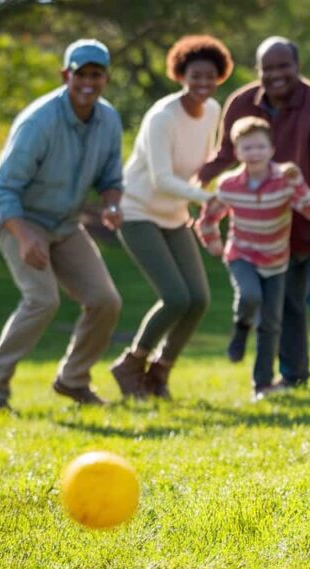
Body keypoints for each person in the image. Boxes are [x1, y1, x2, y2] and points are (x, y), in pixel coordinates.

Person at [198, 36, 310, 397]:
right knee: (286, 304)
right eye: (267, 68)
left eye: (283, 66)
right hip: (275, 230)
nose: (275, 75)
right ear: (258, 71)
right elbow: (226, 152)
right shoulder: (242, 103)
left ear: (297, 67)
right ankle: (294, 374)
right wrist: (196, 181)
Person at [0, 39, 124, 414]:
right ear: (65, 75)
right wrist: (24, 236)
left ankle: (73, 380)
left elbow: (110, 177)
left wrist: (112, 203)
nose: (88, 82)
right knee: (42, 299)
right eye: (80, 74)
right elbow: (3, 190)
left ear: (105, 78)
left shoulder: (109, 120)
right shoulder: (39, 121)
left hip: (65, 224)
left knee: (106, 301)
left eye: (96, 75)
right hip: (17, 217)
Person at [109, 35, 234, 400]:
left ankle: (159, 373)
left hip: (175, 213)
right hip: (138, 212)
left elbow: (203, 164)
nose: (203, 84)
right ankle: (131, 364)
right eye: (195, 76)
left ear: (219, 77)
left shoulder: (213, 109)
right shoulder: (162, 117)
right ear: (181, 74)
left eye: (210, 77)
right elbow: (160, 178)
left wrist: (215, 192)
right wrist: (205, 196)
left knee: (199, 299)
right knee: (176, 297)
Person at [195, 117, 310, 401]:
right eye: (247, 147)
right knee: (250, 296)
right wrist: (214, 246)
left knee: (271, 324)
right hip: (242, 255)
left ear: (271, 148)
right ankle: (240, 330)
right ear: (238, 152)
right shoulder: (229, 184)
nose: (254, 152)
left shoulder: (284, 179)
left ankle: (261, 385)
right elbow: (208, 219)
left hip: (277, 261)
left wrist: (297, 182)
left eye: (260, 146)